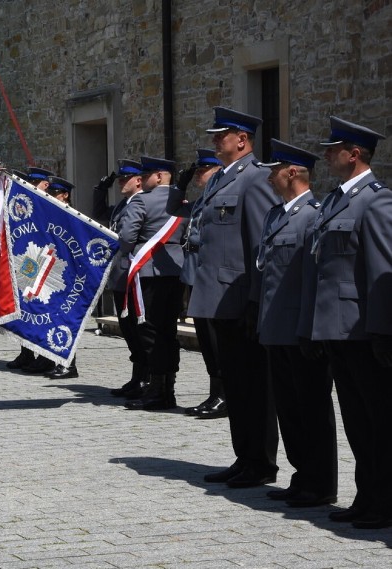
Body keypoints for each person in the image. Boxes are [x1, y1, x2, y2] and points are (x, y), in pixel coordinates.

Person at [302, 117, 392, 529]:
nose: (325, 154)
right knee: (356, 421)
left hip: (361, 330)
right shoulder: (337, 199)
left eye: (332, 148)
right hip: (337, 329)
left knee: (378, 421)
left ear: (353, 154)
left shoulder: (376, 200)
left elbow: (380, 269)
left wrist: (382, 330)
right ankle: (367, 495)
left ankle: (384, 501)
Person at [187, 107, 280, 488]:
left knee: (254, 385)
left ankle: (261, 462)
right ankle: (245, 457)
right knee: (235, 385)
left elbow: (261, 246)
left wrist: (256, 301)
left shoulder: (255, 179)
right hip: (217, 298)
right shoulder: (219, 180)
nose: (214, 140)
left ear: (242, 139)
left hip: (239, 297)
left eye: (221, 135)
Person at [255, 139, 337, 507]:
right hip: (275, 328)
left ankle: (320, 483)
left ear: (291, 172)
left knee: (312, 409)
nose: (269, 178)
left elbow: (313, 279)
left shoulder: (312, 216)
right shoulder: (276, 215)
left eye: (273, 170)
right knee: (289, 408)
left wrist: (310, 328)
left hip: (301, 330)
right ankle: (302, 473)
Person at [121, 156, 188, 410]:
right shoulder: (181, 201)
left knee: (150, 331)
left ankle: (156, 389)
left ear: (159, 176)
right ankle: (167, 388)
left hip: (147, 271)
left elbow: (127, 237)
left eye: (146, 173)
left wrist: (127, 248)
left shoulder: (142, 199)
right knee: (168, 331)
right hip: (176, 270)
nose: (142, 178)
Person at [167, 149, 227, 419]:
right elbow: (173, 208)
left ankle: (224, 395)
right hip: (194, 275)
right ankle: (215, 392)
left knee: (215, 339)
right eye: (197, 171)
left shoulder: (219, 198)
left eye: (204, 170)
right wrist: (180, 184)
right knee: (205, 337)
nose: (199, 176)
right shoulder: (202, 201)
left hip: (210, 276)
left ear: (217, 170)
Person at [7, 166, 57, 373]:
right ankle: (27, 352)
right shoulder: (25, 203)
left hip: (46, 264)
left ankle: (46, 355)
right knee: (25, 309)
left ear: (45, 185)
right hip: (27, 261)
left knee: (43, 310)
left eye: (35, 184)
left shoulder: (52, 205)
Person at [107, 160, 148, 398]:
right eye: (120, 179)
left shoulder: (141, 203)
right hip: (120, 273)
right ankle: (137, 376)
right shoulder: (123, 204)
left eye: (125, 179)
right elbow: (102, 217)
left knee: (136, 326)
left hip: (133, 274)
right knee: (127, 328)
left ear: (139, 181)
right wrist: (98, 192)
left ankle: (145, 377)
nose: (121, 182)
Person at [42, 175, 79, 380]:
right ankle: (58, 360)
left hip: (67, 276)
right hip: (52, 273)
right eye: (50, 193)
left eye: (55, 193)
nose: (52, 196)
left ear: (65, 195)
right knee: (54, 318)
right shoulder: (51, 215)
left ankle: (69, 364)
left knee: (67, 319)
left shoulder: (72, 216)